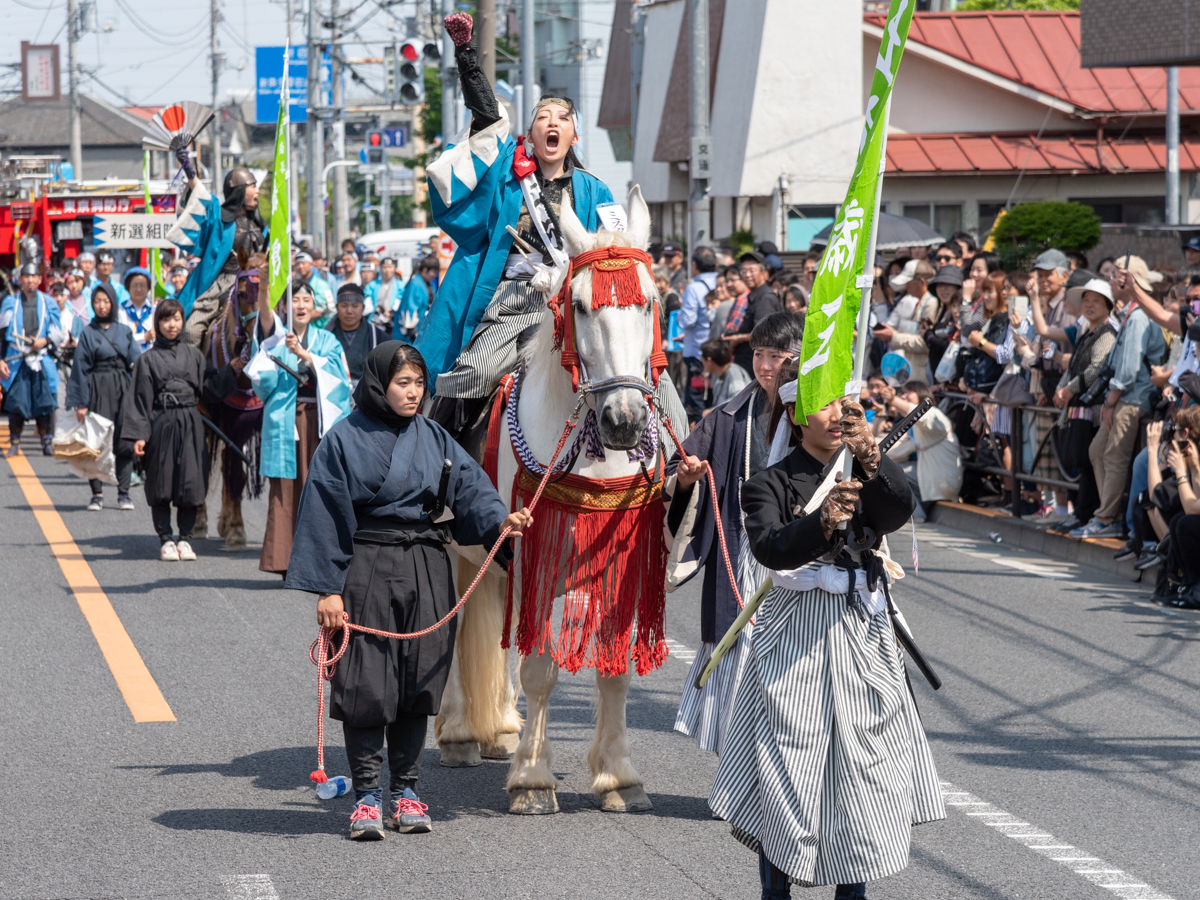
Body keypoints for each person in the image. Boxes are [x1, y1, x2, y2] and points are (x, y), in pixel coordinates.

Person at [286, 342, 532, 839]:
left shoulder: (436, 437)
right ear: (379, 384)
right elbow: (323, 514)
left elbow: (472, 492)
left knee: (418, 681)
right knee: (366, 685)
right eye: (403, 383)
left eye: (419, 383)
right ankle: (367, 798)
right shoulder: (342, 440)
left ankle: (407, 792)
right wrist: (328, 591)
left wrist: (500, 523)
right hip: (365, 566)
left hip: (426, 564)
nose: (414, 392)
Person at [710, 385, 944, 899]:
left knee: (864, 768)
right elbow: (772, 548)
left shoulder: (862, 466)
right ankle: (776, 891)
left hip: (863, 630)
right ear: (794, 414)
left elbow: (897, 510)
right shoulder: (767, 483)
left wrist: (870, 457)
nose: (840, 414)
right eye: (825, 403)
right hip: (797, 634)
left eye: (845, 402)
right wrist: (822, 520)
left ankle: (852, 892)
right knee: (785, 766)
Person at [419, 12, 627, 438]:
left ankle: (670, 457)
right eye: (543, 117)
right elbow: (487, 120)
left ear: (574, 136)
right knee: (473, 372)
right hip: (512, 297)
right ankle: (440, 456)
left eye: (563, 118)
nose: (553, 122)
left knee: (638, 372)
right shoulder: (507, 178)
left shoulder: (597, 191)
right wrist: (466, 56)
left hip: (576, 302)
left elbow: (615, 252)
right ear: (529, 134)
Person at [665, 312, 804, 754]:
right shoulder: (728, 415)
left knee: (792, 654)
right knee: (740, 642)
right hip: (744, 546)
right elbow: (681, 465)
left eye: (777, 356)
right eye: (758, 354)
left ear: (797, 357)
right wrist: (687, 477)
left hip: (804, 547)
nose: (765, 365)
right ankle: (737, 755)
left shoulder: (817, 408)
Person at [247, 279, 352, 576]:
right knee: (284, 490)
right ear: (285, 306)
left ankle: (319, 562)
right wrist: (265, 292)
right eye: (295, 300)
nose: (301, 305)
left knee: (319, 488)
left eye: (307, 300)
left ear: (315, 307)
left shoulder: (328, 341)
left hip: (319, 421)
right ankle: (283, 560)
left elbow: (340, 380)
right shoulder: (276, 340)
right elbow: (264, 333)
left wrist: (306, 356)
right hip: (285, 420)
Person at [1071, 257, 1168, 540]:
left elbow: (1128, 368)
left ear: (1129, 280)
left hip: (1132, 397)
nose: (1111, 281)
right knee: (1097, 450)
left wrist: (1110, 402)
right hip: (1123, 396)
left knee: (1112, 455)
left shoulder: (1138, 315)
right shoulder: (1129, 312)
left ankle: (1106, 519)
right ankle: (1108, 513)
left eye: (1115, 276)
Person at [120, 299, 206, 561]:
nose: (172, 325)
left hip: (191, 423)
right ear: (157, 323)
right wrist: (139, 435)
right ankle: (166, 538)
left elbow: (210, 388)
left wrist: (234, 370)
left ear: (183, 322)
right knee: (161, 481)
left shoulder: (195, 355)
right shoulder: (147, 359)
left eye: (177, 319)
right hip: (161, 424)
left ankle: (186, 539)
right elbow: (140, 399)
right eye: (166, 319)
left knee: (190, 481)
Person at [167, 159, 266, 349]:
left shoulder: (261, 225)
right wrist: (191, 175)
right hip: (222, 284)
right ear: (239, 191)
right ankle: (193, 376)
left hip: (256, 285)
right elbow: (203, 198)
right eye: (253, 187)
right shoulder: (219, 219)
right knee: (193, 330)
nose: (258, 191)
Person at [1051, 279, 1118, 535]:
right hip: (1081, 407)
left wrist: (1070, 389)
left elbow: (1097, 369)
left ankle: (1088, 513)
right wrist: (1065, 388)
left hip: (1096, 408)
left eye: (1096, 301)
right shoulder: (1088, 332)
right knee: (1083, 459)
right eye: (1086, 301)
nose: (1089, 305)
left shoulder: (1107, 333)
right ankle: (1081, 512)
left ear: (1108, 305)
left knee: (1090, 459)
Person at [67, 284, 140, 511]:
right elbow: (80, 369)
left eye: (106, 301)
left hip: (122, 389)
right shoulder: (88, 333)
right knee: (95, 442)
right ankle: (96, 494)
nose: (101, 305)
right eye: (97, 301)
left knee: (124, 441)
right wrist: (81, 403)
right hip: (96, 388)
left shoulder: (125, 331)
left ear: (113, 303)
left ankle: (124, 493)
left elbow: (136, 363)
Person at [0, 264, 61, 457]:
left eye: (34, 276)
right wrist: (1, 359)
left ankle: (46, 441)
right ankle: (15, 442)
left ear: (40, 279)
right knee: (15, 403)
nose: (30, 280)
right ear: (20, 279)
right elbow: (2, 333)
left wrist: (45, 340)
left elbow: (58, 332)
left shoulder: (48, 302)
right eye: (26, 276)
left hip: (40, 357)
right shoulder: (11, 301)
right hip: (17, 358)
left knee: (44, 402)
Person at [883, 379, 963, 518]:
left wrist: (892, 399)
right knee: (888, 469)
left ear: (922, 394)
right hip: (932, 477)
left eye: (908, 392)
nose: (903, 396)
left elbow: (920, 413)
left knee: (893, 472)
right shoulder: (916, 427)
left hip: (941, 480)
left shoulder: (934, 414)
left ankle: (915, 515)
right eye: (902, 393)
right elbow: (895, 452)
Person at [723, 252, 783, 373]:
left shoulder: (765, 298)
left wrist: (738, 338)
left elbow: (764, 335)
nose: (747, 275)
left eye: (751, 271)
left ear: (763, 272)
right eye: (744, 272)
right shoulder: (754, 296)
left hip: (758, 367)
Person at [680, 246, 718, 422]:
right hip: (718, 349)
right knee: (713, 394)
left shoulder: (694, 288)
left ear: (694, 265)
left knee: (696, 397)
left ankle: (698, 431)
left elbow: (688, 320)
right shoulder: (722, 283)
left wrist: (679, 317)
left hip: (697, 352)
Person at [330, 283, 389, 386]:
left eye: (355, 306)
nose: (349, 311)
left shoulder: (378, 337)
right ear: (336, 307)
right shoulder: (326, 337)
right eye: (344, 306)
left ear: (363, 308)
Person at [701, 338, 750, 412]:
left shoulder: (733, 372)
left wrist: (712, 411)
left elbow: (739, 399)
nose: (701, 361)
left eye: (702, 359)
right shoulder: (720, 378)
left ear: (709, 361)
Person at [395, 257, 438, 342]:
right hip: (409, 334)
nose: (434, 275)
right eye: (433, 272)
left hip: (422, 329)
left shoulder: (429, 285)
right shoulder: (415, 284)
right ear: (425, 269)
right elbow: (410, 308)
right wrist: (412, 331)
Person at [293, 252, 336, 328]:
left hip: (321, 328)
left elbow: (319, 311)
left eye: (303, 263)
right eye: (297, 264)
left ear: (311, 264)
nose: (300, 266)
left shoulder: (322, 285)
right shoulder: (295, 285)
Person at [120, 266, 157, 352]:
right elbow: (120, 339)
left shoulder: (154, 310)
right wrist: (143, 337)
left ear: (148, 287)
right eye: (135, 285)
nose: (139, 289)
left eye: (142, 285)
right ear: (128, 287)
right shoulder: (120, 310)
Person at [364, 256, 403, 332]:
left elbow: (400, 301)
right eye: (384, 267)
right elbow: (367, 303)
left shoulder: (401, 286)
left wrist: (392, 312)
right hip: (376, 321)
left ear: (394, 268)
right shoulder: (372, 285)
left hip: (394, 322)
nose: (387, 270)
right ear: (380, 269)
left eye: (390, 267)